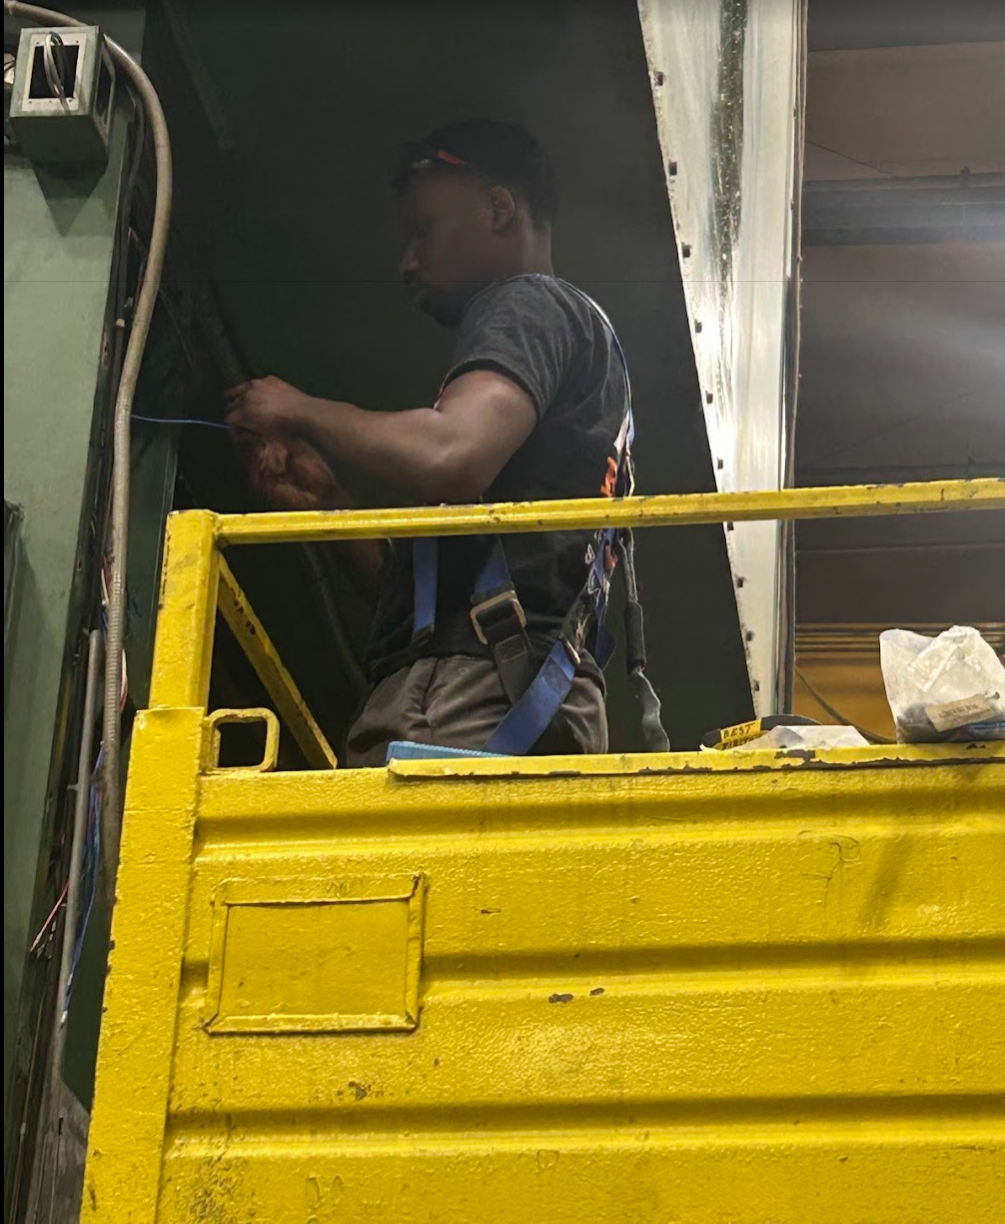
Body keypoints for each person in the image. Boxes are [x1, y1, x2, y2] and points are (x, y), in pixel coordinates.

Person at [225, 119, 633, 767]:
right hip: (507, 691)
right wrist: (327, 499)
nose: (407, 260)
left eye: (423, 230)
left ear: (499, 208)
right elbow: (426, 589)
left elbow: (450, 456)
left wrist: (295, 409)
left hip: (475, 697)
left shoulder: (528, 306)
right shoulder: (566, 366)